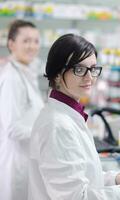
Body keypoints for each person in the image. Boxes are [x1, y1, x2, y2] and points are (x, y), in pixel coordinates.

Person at [28, 34, 120, 200]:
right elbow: (77, 197)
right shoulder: (58, 126)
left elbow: (87, 176)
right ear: (57, 74)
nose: (89, 77)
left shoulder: (67, 115)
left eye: (92, 69)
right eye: (79, 69)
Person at [0, 20, 44, 200]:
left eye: (35, 41)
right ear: (11, 44)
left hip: (27, 161)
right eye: (26, 41)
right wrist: (46, 132)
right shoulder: (11, 78)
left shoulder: (25, 72)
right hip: (17, 164)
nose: (32, 46)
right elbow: (12, 128)